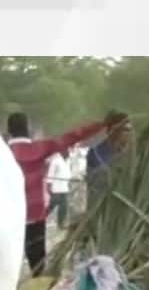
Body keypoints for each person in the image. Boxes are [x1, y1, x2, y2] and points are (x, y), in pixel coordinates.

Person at [6, 111, 108, 277]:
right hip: (35, 213)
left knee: (7, 260)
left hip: (9, 215)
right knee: (37, 262)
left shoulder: (2, 152)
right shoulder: (39, 149)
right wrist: (101, 124)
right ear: (28, 129)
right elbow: (71, 137)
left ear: (9, 130)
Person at [86, 111, 131, 205]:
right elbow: (97, 186)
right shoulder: (95, 153)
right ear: (113, 130)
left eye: (130, 129)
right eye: (125, 129)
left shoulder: (129, 154)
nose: (129, 133)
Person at [46, 150, 71, 230]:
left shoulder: (67, 161)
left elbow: (67, 174)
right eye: (67, 152)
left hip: (64, 188)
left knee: (63, 207)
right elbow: (50, 173)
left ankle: (61, 224)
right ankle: (40, 219)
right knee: (51, 206)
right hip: (56, 188)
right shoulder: (56, 160)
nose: (68, 153)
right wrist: (49, 186)